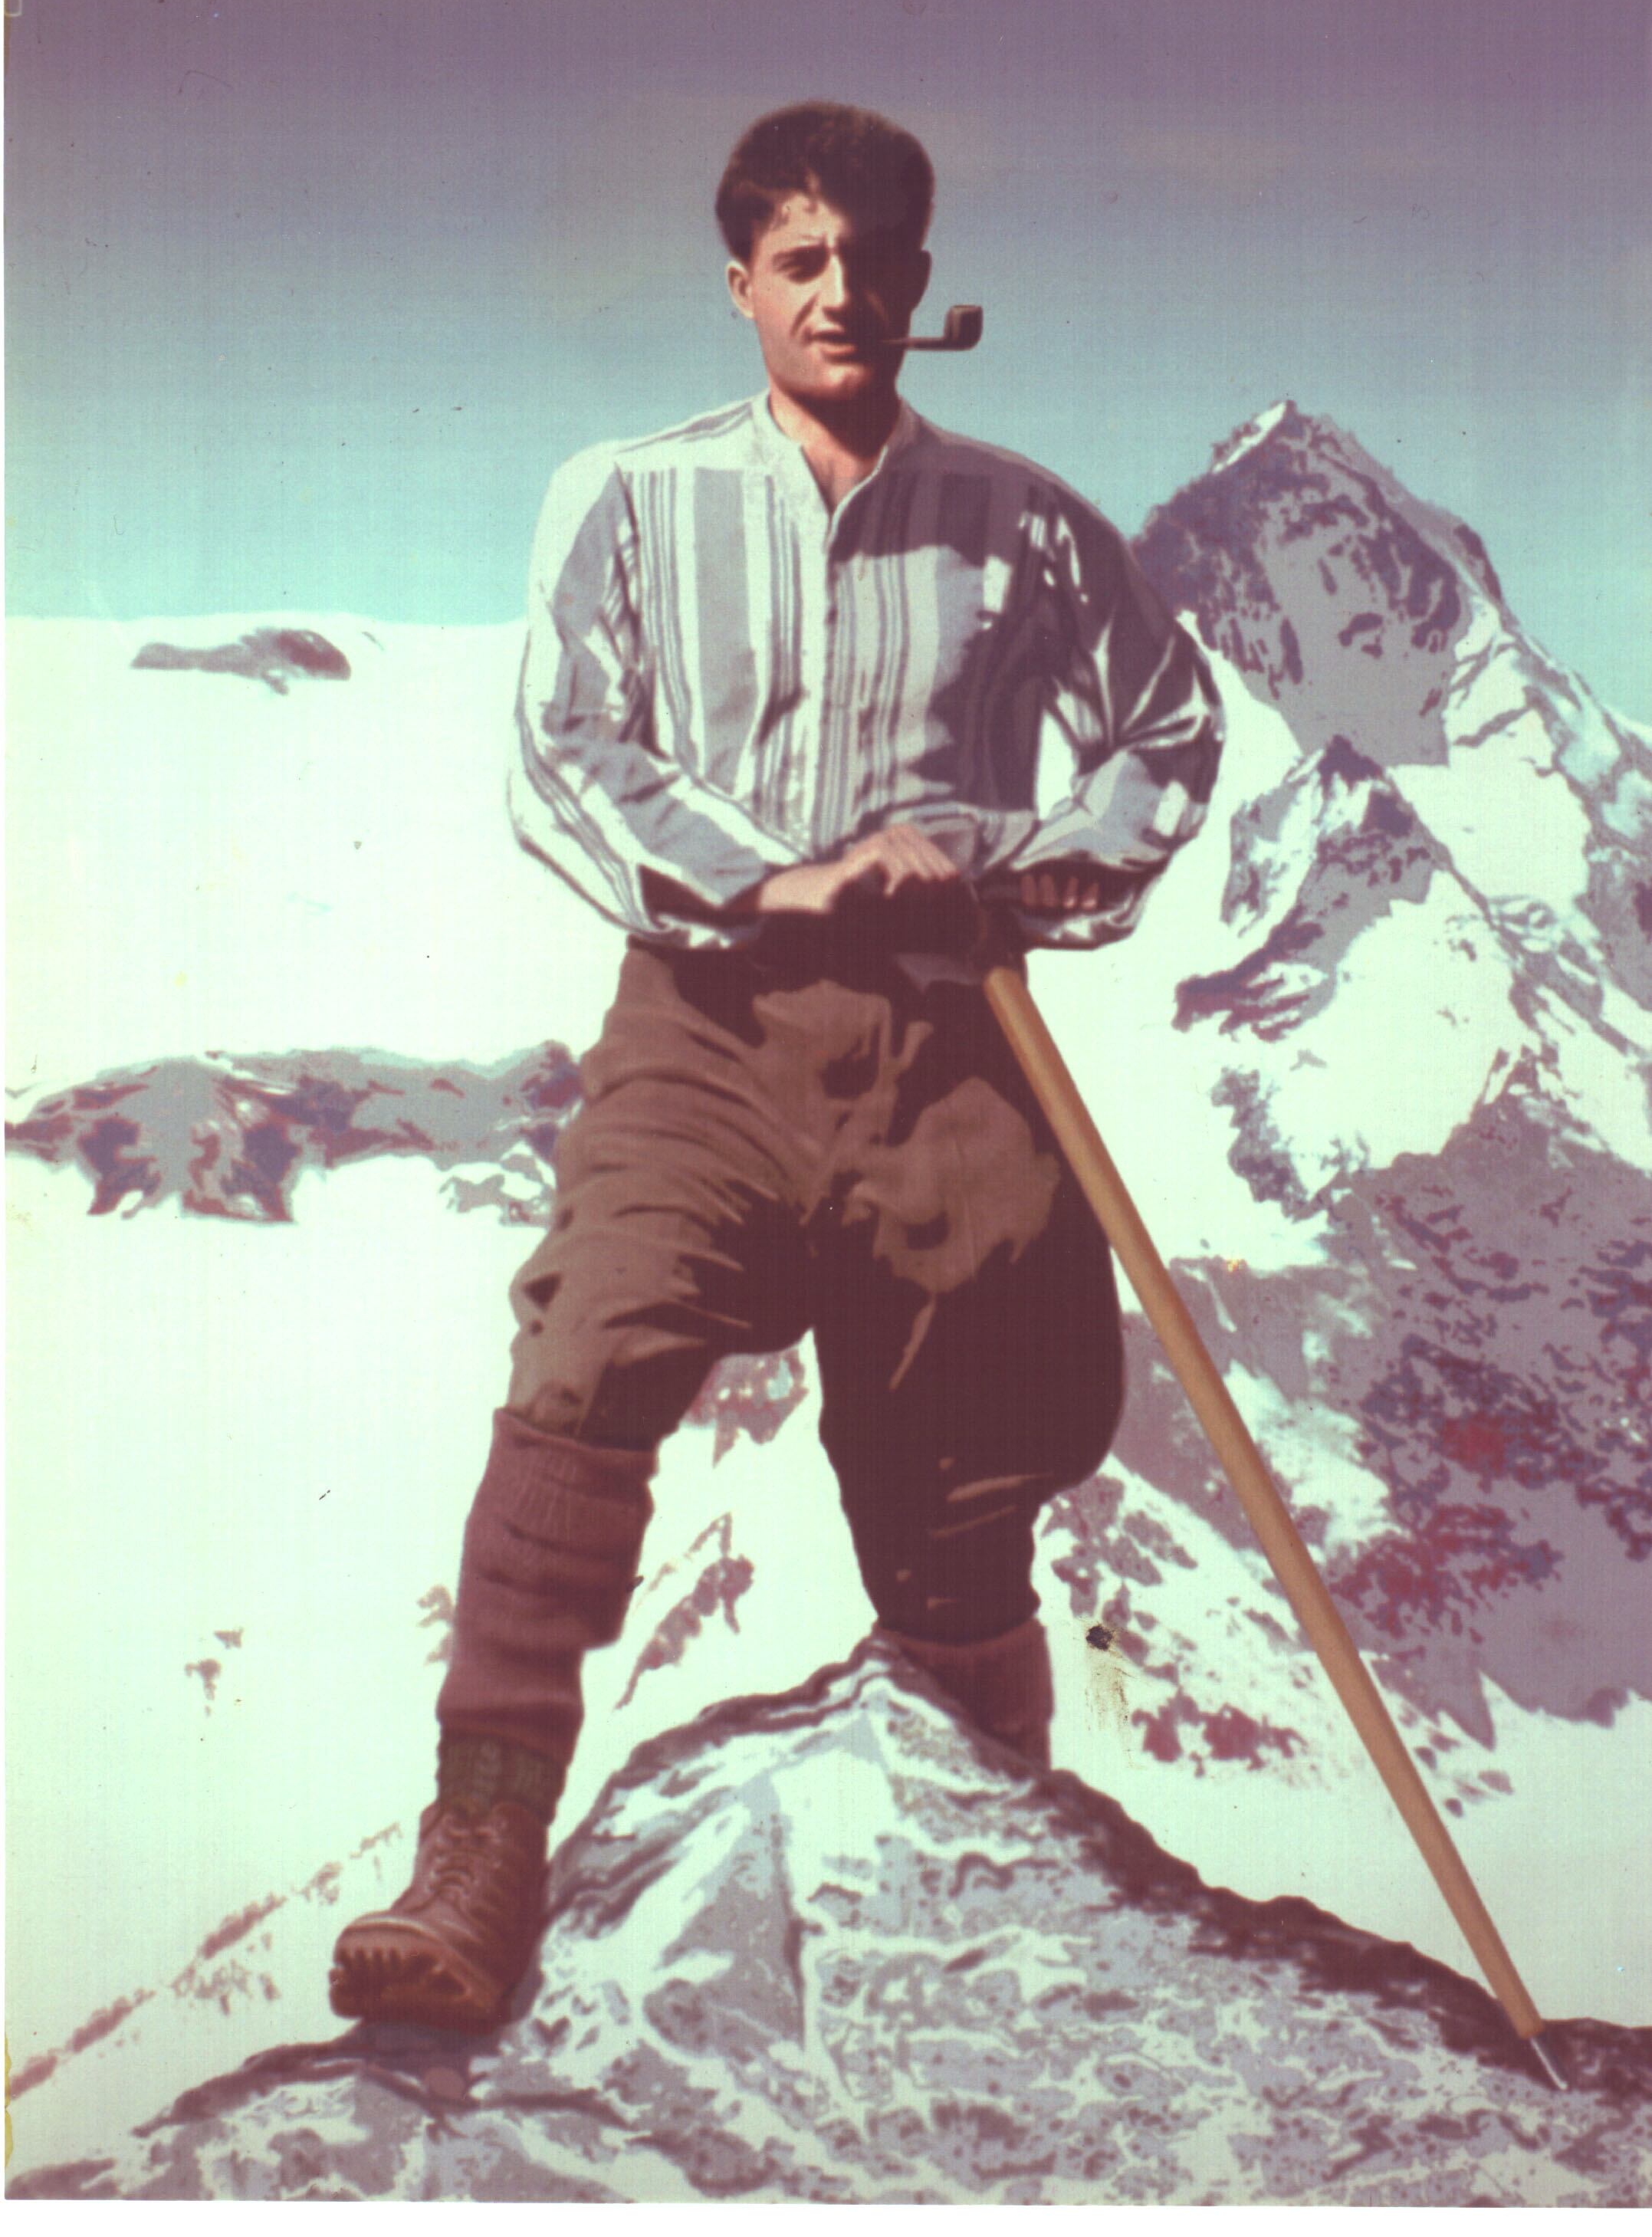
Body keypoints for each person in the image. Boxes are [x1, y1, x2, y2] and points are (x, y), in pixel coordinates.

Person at [330, 100, 1223, 2032]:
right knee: (590, 1343)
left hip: (950, 1037)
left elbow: (1165, 731)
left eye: (873, 256)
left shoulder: (1029, 518)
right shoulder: (628, 497)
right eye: (798, 259)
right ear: (735, 282)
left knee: (965, 1450)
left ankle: (1000, 1833)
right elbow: (566, 747)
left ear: (921, 283)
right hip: (704, 1017)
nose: (839, 291)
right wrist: (779, 875)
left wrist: (987, 862)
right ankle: (478, 1847)